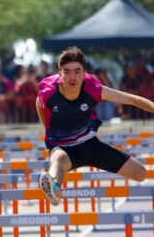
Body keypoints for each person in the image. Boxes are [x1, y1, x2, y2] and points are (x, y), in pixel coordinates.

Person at [36, 47, 153, 206]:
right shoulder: (49, 92)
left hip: (90, 145)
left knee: (141, 174)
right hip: (62, 147)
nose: (72, 77)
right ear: (60, 74)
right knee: (58, 159)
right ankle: (53, 189)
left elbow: (133, 100)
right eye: (67, 72)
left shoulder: (93, 88)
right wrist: (48, 129)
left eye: (77, 71)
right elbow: (39, 104)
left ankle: (53, 185)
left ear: (84, 74)